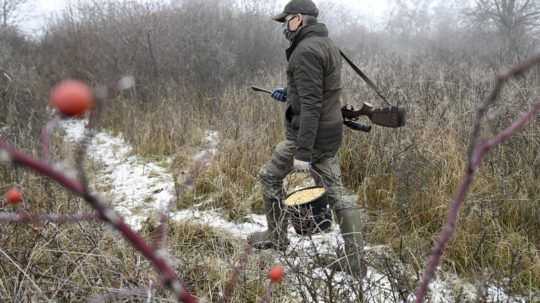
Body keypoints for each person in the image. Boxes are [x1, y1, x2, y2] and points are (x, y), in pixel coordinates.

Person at [247, 0, 367, 279]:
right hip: (329, 131)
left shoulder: (305, 51)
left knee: (269, 176)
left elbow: (312, 105)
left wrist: (302, 152)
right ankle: (356, 260)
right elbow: (318, 91)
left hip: (308, 136)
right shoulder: (326, 44)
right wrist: (288, 92)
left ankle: (276, 237)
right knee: (337, 191)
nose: (284, 27)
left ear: (299, 19)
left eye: (286, 20)